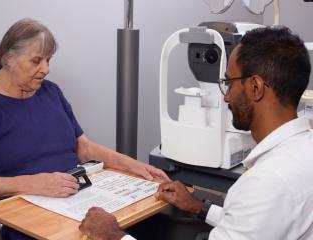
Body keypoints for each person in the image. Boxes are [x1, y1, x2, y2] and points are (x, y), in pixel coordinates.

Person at [79, 26, 313, 240]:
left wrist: (113, 236)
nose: (226, 96)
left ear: (255, 87)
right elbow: (257, 225)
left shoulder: (267, 181)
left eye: (229, 83)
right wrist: (200, 207)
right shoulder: (304, 150)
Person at [0, 18, 169, 240]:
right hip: (19, 214)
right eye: (36, 61)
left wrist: (135, 166)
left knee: (148, 222)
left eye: (48, 59)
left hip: (71, 199)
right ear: (8, 58)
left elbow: (83, 147)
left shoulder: (50, 92)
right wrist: (34, 184)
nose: (46, 69)